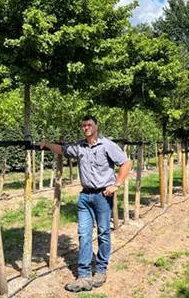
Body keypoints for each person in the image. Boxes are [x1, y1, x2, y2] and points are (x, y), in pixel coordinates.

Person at [38, 115, 132, 292]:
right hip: (85, 197)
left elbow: (126, 162)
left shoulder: (107, 145)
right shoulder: (79, 147)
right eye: (84, 125)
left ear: (96, 126)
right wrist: (47, 144)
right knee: (83, 234)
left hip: (103, 196)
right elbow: (63, 150)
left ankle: (101, 270)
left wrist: (116, 184)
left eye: (89, 125)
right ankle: (83, 275)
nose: (86, 128)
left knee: (103, 232)